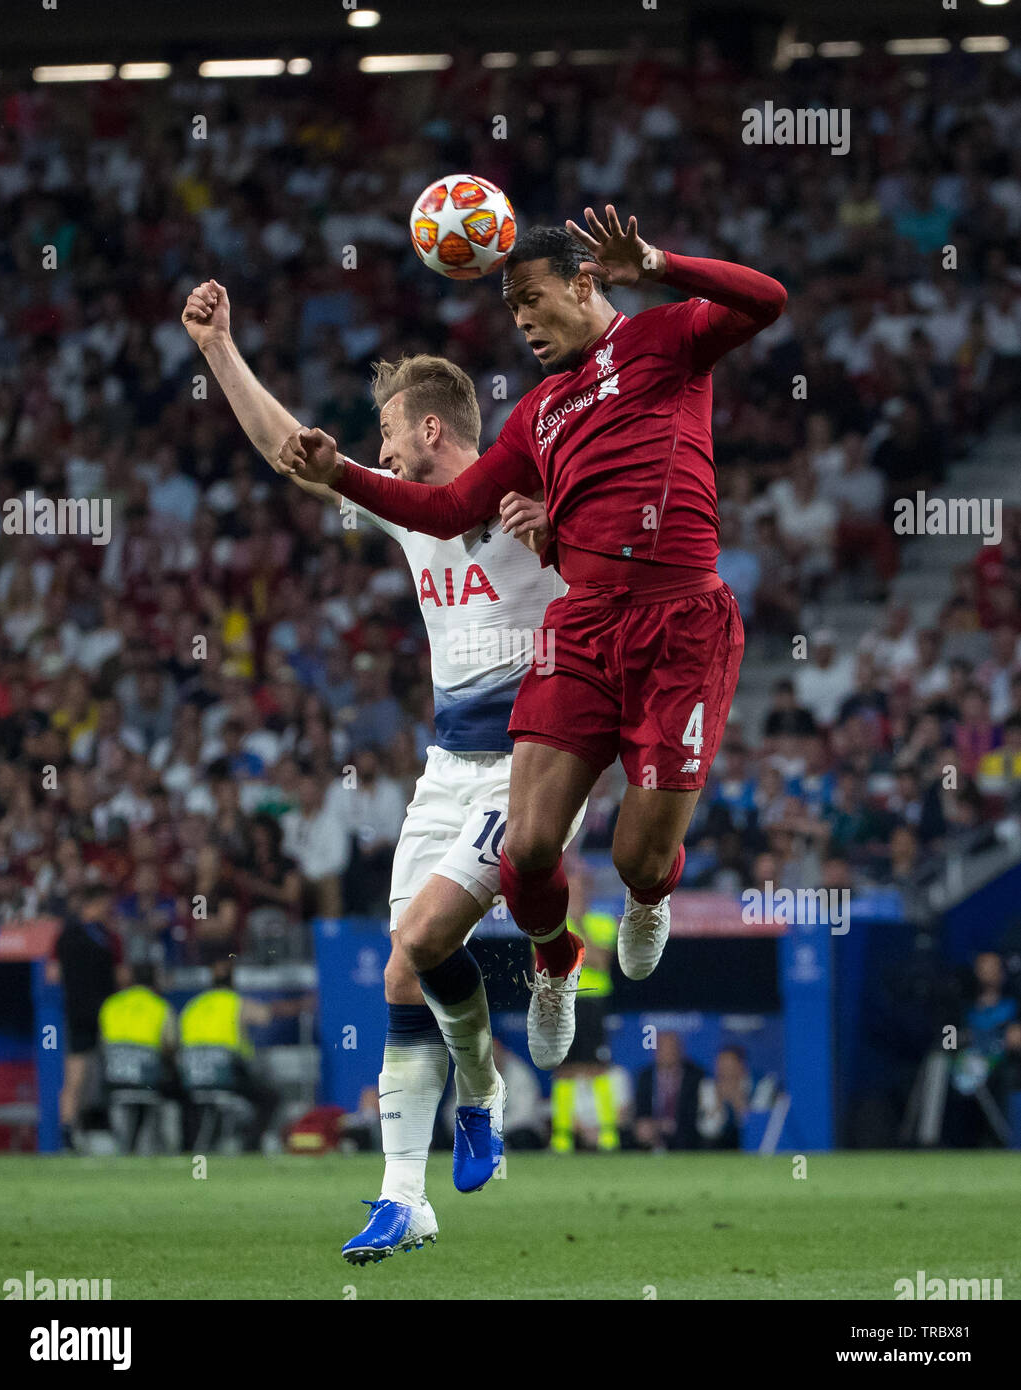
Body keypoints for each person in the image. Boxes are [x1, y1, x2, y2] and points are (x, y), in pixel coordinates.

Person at [285, 209, 786, 1075]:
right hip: (583, 626)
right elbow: (447, 510)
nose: (517, 319)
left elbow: (766, 300)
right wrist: (341, 474)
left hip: (681, 623)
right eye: (508, 306)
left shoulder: (663, 344)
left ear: (585, 284)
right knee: (524, 849)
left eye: (529, 298)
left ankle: (647, 892)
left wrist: (661, 262)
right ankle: (556, 960)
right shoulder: (537, 413)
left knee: (636, 853)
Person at [182, 286, 585, 1262]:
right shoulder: (412, 514)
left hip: (534, 765)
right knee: (406, 963)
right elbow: (293, 453)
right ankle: (408, 1191)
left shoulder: (536, 494)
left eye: (388, 432)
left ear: (432, 426)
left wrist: (563, 530)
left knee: (419, 933)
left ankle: (521, 1019)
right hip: (449, 763)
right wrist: (220, 349)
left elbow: (626, 530)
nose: (381, 449)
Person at [177, 956, 301, 1151]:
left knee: (195, 1103)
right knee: (269, 1098)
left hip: (192, 1079)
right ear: (233, 982)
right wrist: (298, 1006)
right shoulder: (234, 1002)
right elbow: (265, 1016)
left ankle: (188, 1146)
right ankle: (250, 1144)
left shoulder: (192, 1006)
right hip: (225, 1077)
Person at [548, 861, 619, 1153]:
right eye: (570, 891)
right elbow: (545, 971)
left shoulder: (603, 922)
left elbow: (602, 963)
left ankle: (608, 1135)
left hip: (593, 1002)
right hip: (563, 1001)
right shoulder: (550, 927)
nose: (575, 895)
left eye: (580, 890)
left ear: (588, 892)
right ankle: (561, 1138)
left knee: (596, 1067)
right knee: (564, 1069)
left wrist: (579, 926)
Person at [49, 882, 124, 1151]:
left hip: (77, 1012)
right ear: (100, 902)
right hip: (106, 1016)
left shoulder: (66, 935)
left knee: (76, 1076)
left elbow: (52, 974)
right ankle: (101, 1129)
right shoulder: (108, 937)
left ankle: (69, 1132)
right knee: (108, 1074)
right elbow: (121, 976)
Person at [98, 962, 181, 1151]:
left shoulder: (111, 1005)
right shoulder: (160, 1007)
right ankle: (171, 1147)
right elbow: (170, 1045)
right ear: (155, 981)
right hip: (148, 1082)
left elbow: (103, 1045)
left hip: (114, 1081)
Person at [633, 1031, 705, 1151]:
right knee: (641, 1130)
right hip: (652, 1131)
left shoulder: (695, 1076)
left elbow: (695, 1112)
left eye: (671, 1048)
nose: (667, 1053)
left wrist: (670, 1125)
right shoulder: (645, 1076)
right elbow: (641, 1109)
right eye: (662, 1048)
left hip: (684, 1132)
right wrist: (653, 1125)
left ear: (680, 1050)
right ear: (655, 1052)